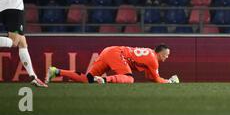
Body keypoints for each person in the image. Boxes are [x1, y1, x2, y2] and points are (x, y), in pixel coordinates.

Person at [46, 44, 179, 84]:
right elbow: (156, 79)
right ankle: (104, 80)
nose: (167, 57)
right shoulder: (153, 60)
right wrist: (170, 81)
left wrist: (166, 80)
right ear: (160, 53)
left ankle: (56, 71)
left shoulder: (149, 54)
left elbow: (149, 77)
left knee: (88, 79)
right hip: (117, 54)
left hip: (108, 51)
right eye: (166, 54)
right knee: (129, 78)